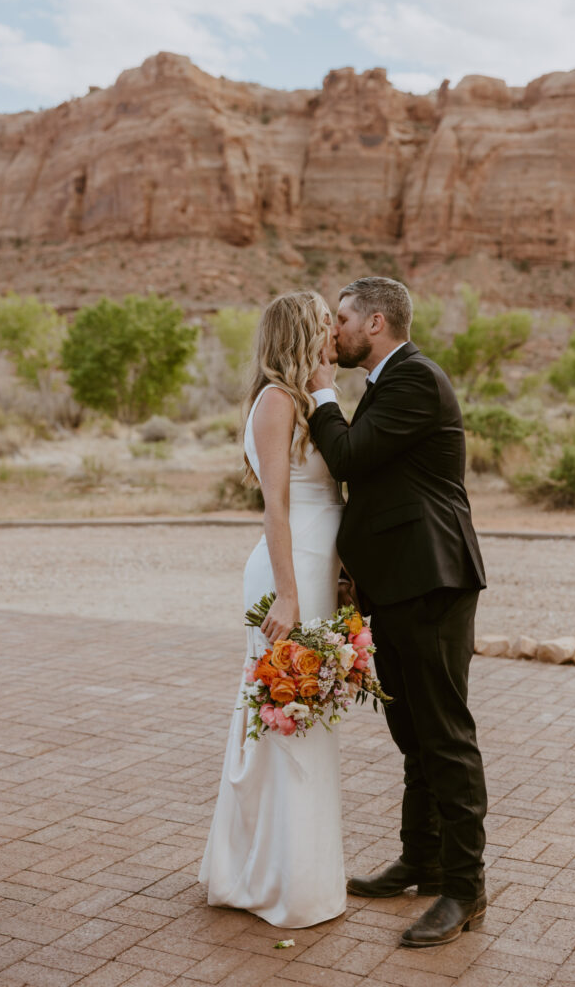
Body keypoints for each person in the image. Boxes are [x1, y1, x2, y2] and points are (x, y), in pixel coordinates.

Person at [308, 276, 488, 948]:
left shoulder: (413, 379)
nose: (334, 332)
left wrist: (321, 388)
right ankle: (423, 857)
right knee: (411, 730)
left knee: (444, 734)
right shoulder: (388, 384)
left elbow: (350, 456)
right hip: (401, 583)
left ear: (376, 323)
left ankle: (465, 889)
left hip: (433, 582)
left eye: (343, 319)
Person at [199, 290, 346, 928]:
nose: (335, 336)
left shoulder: (310, 398)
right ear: (299, 334)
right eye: (324, 326)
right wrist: (288, 595)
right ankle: (270, 876)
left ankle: (290, 868)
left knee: (307, 715)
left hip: (316, 569)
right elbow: (277, 506)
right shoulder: (277, 401)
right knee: (288, 712)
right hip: (290, 572)